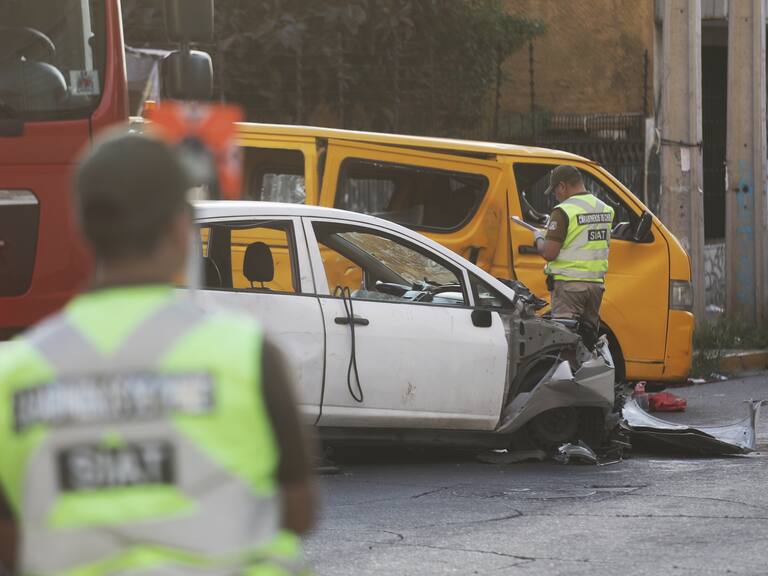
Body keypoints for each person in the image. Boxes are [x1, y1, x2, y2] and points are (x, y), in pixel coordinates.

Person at [0, 131, 315, 575]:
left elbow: (11, 546)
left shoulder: (15, 373)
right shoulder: (248, 355)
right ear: (179, 229)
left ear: (82, 229)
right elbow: (299, 512)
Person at [533, 165, 614, 347]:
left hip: (569, 287)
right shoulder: (605, 210)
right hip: (595, 288)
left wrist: (538, 238)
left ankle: (568, 375)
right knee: (587, 341)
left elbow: (549, 253)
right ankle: (589, 374)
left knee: (565, 342)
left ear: (563, 186)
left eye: (555, 191)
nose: (555, 195)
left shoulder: (563, 211)